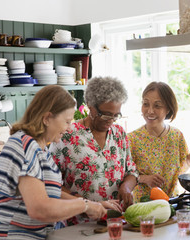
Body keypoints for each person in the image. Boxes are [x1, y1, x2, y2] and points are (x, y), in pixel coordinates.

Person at [0, 85, 106, 240]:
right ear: (46, 118)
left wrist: (91, 205)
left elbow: (49, 192)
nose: (69, 128)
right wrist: (85, 206)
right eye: (66, 121)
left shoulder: (40, 149)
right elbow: (39, 209)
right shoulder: (25, 145)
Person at [49, 76, 139, 226]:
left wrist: (127, 186)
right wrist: (83, 203)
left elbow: (131, 171)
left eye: (116, 115)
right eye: (105, 114)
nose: (111, 120)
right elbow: (51, 183)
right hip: (79, 222)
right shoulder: (67, 135)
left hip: (117, 221)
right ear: (90, 106)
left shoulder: (119, 134)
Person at [128, 81, 190, 202]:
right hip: (144, 207)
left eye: (157, 106)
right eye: (146, 104)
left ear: (168, 109)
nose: (150, 111)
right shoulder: (132, 139)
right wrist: (144, 178)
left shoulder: (176, 136)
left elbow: (182, 167)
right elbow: (123, 176)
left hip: (172, 203)